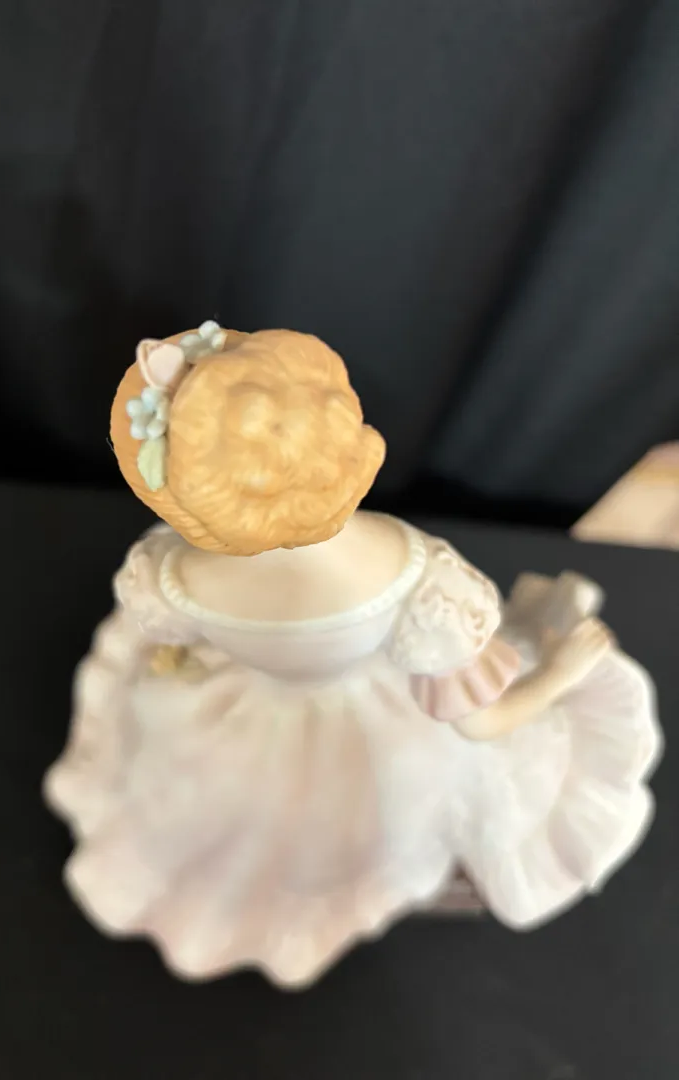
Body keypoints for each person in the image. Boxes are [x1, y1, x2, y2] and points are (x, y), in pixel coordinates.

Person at [45, 324, 661, 988]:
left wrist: (178, 662)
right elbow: (479, 722)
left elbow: (171, 638)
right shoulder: (413, 573)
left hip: (246, 704)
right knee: (380, 805)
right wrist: (560, 676)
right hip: (371, 718)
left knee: (234, 808)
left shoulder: (170, 572)